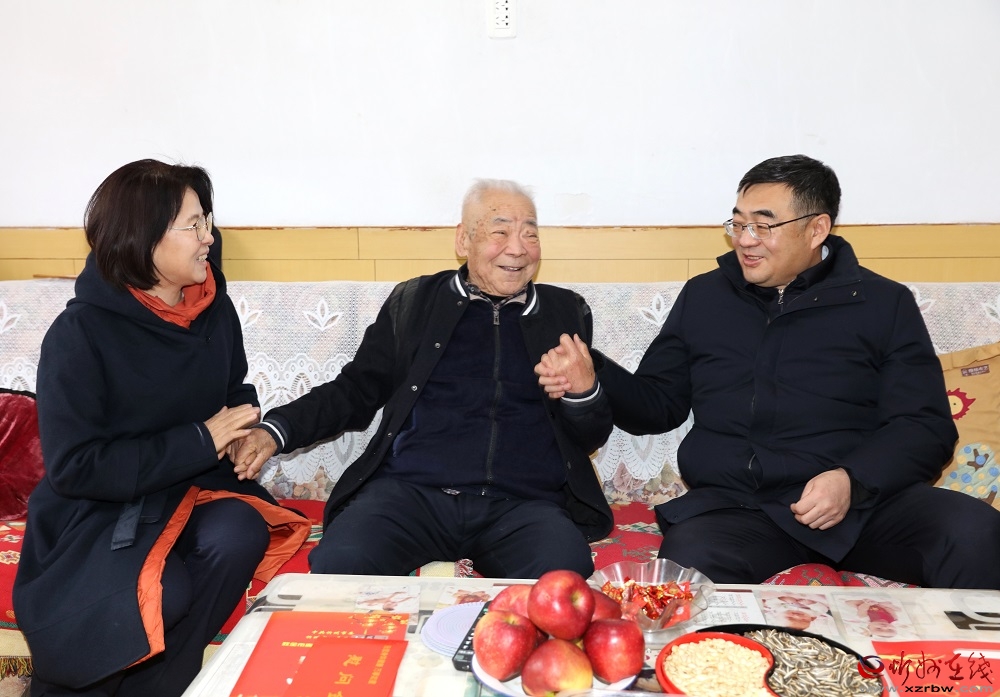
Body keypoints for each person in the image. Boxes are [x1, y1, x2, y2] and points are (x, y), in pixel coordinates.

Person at [537, 154, 1000, 589]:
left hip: (863, 507)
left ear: (817, 229)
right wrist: (595, 373)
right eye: (738, 223)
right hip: (743, 509)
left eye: (763, 225)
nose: (745, 239)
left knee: (973, 531)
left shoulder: (883, 303)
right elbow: (659, 405)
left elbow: (924, 425)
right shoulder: (706, 297)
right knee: (689, 564)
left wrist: (852, 480)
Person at [13, 160, 310, 697]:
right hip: (102, 508)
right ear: (144, 237)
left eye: (207, 221)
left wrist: (241, 431)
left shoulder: (213, 308)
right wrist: (201, 440)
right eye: (194, 225)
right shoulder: (80, 333)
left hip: (191, 488)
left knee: (239, 532)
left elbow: (234, 387)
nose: (209, 238)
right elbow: (76, 467)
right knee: (158, 592)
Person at [233, 179, 613, 578]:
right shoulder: (415, 302)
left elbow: (590, 435)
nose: (518, 248)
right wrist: (275, 431)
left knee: (564, 574)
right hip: (411, 496)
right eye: (500, 231)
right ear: (463, 240)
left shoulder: (564, 312)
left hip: (523, 505)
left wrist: (584, 394)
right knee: (340, 565)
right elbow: (355, 390)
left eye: (530, 234)